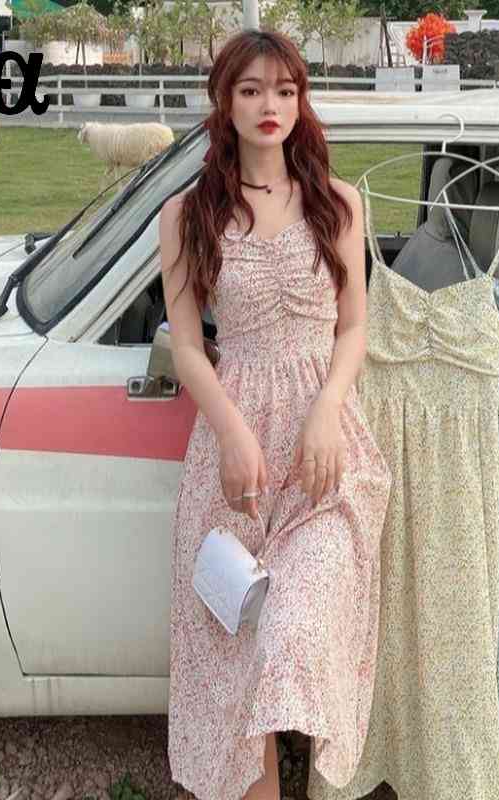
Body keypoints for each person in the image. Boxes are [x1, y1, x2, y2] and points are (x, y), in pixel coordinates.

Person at [159, 29, 392, 800]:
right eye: (253, 89)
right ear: (225, 100)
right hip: (236, 459)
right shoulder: (188, 214)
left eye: (286, 90)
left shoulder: (338, 203)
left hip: (324, 456)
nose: (271, 105)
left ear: (301, 102)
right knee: (236, 653)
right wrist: (230, 431)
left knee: (292, 625)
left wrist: (327, 408)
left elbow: (353, 328)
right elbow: (187, 346)